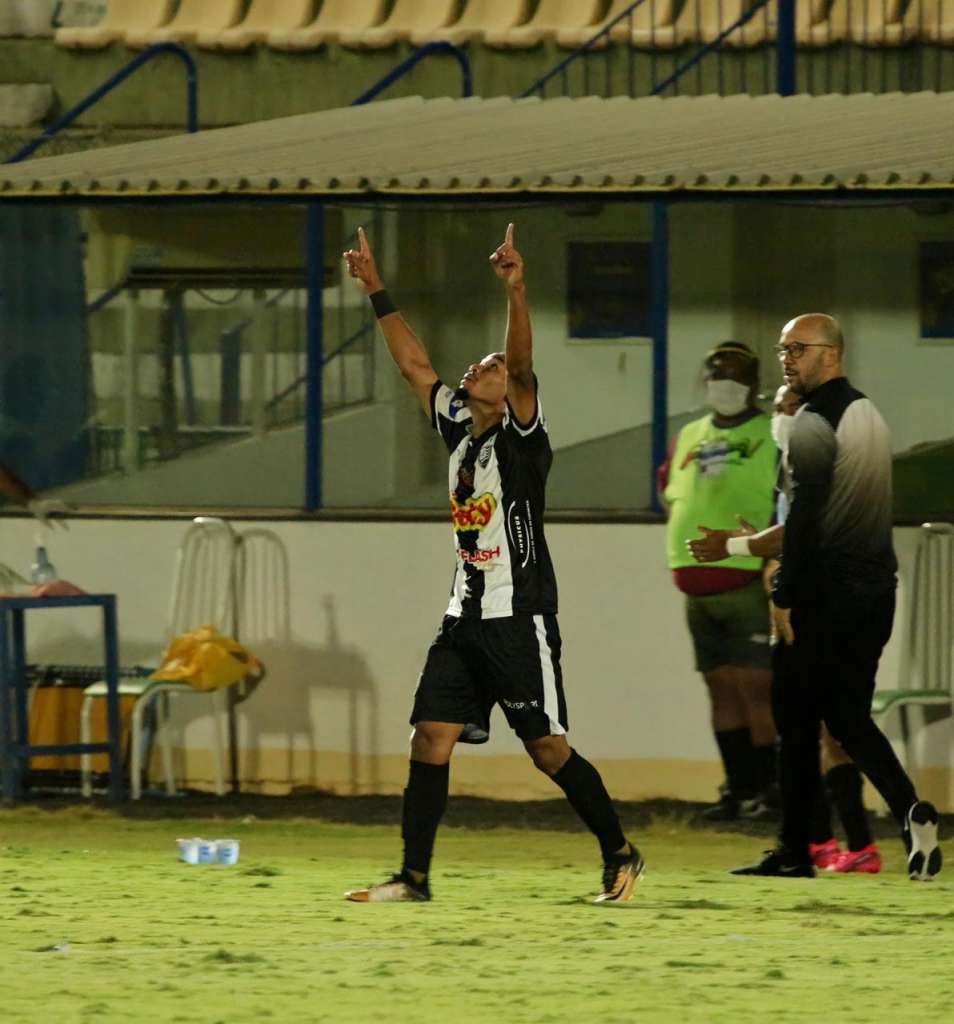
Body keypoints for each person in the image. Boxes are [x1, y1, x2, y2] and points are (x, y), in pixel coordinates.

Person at [341, 224, 643, 904]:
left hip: (519, 616)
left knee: (546, 749)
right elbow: (415, 366)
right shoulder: (459, 427)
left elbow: (526, 368)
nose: (482, 367)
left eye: (494, 367)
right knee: (429, 739)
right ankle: (413, 879)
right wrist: (376, 290)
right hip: (463, 618)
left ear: (509, 394)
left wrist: (517, 291)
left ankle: (620, 852)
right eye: (481, 364)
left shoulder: (521, 442)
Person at [729, 314, 941, 880]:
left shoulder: (813, 421)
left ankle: (796, 851)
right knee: (847, 718)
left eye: (797, 349)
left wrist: (785, 591)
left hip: (826, 597)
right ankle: (910, 811)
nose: (786, 358)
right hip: (876, 595)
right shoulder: (868, 414)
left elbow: (806, 517)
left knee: (795, 722)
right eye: (781, 349)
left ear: (831, 353)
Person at [690, 385, 882, 874]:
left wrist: (740, 549)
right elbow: (785, 538)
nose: (778, 414)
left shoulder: (819, 460)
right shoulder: (790, 463)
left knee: (827, 728)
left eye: (785, 407)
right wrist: (761, 556)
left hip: (821, 609)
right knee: (807, 731)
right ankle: (819, 842)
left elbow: (801, 532)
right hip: (797, 605)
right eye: (776, 406)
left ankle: (856, 840)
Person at [659, 342, 778, 821]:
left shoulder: (771, 432)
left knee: (756, 686)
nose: (723, 383)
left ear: (752, 383)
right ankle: (738, 788)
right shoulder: (690, 433)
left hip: (747, 577)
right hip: (695, 586)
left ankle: (771, 790)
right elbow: (670, 489)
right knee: (719, 686)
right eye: (716, 374)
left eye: (734, 375)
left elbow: (786, 497)